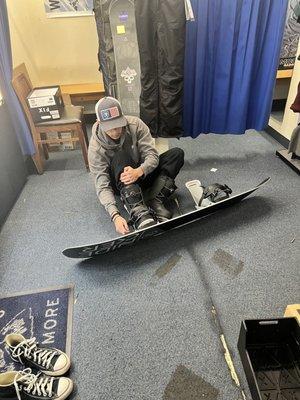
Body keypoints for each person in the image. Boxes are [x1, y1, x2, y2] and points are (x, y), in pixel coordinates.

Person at [88, 97, 184, 235]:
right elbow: (101, 184)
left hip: (140, 173)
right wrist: (115, 215)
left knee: (176, 154)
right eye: (110, 128)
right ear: (99, 122)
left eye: (118, 125)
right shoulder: (95, 148)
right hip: (120, 184)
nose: (115, 132)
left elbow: (152, 156)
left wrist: (140, 171)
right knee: (121, 155)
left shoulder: (136, 124)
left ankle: (154, 200)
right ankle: (138, 211)